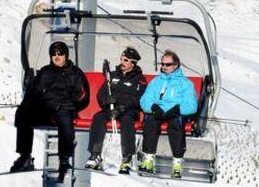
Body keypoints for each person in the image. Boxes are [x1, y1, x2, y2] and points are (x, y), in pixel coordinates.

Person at [11, 41, 90, 181]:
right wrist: (31, 103)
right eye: (53, 54)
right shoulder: (45, 72)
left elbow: (83, 96)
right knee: (24, 113)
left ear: (66, 55)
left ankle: (64, 159)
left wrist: (68, 104)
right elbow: (33, 91)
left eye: (60, 53)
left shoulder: (75, 73)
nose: (57, 56)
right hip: (46, 109)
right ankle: (25, 157)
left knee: (65, 118)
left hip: (63, 109)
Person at [85, 47, 147, 174]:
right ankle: (95, 154)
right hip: (111, 109)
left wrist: (121, 105)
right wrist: (106, 101)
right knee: (98, 117)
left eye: (126, 60)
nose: (122, 62)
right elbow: (101, 93)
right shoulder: (112, 76)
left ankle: (127, 156)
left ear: (133, 63)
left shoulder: (139, 79)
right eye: (121, 59)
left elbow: (137, 98)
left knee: (127, 120)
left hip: (128, 110)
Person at [139, 50, 198, 179]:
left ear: (176, 65)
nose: (164, 67)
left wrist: (177, 109)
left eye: (168, 64)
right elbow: (145, 100)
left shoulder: (185, 84)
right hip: (158, 111)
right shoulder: (156, 82)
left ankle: (177, 161)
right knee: (150, 122)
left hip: (175, 112)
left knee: (176, 125)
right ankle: (148, 158)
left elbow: (192, 105)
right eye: (163, 64)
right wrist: (153, 107)